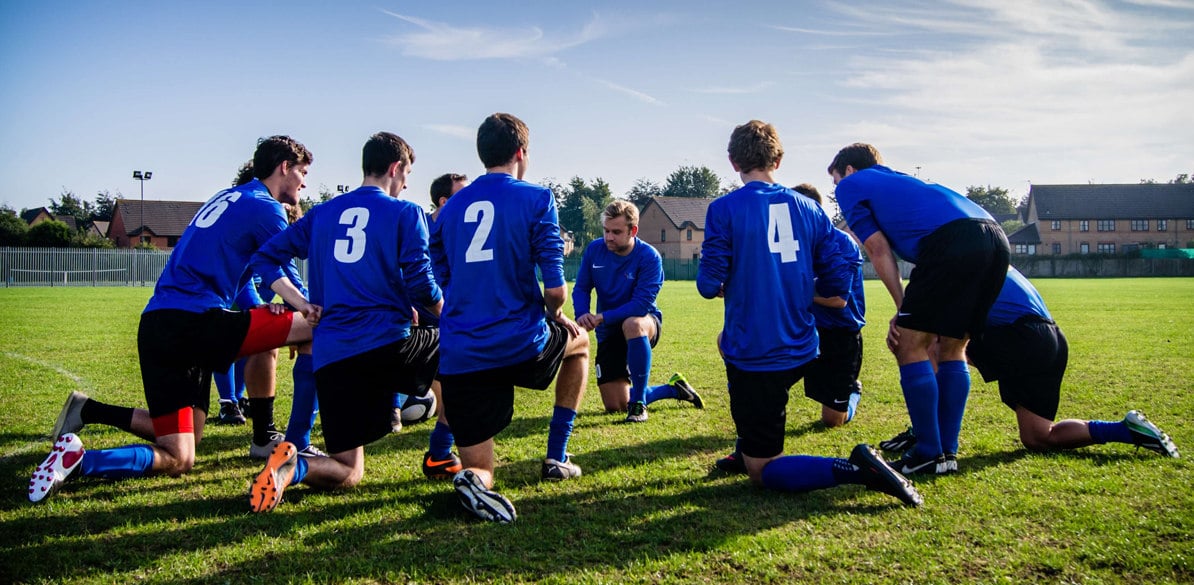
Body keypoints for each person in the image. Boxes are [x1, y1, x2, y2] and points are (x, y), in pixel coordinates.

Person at [30, 136, 316, 503]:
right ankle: (285, 442)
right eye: (303, 173)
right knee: (314, 326)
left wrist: (270, 313)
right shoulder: (266, 208)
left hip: (158, 326)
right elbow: (285, 269)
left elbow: (236, 279)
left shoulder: (227, 199)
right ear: (284, 168)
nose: (304, 183)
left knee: (180, 453)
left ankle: (79, 458)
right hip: (193, 323)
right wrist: (306, 309)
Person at [696, 120, 921, 507]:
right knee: (735, 359)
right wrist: (806, 287)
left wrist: (726, 281)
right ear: (778, 160)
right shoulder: (810, 209)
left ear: (733, 162)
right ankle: (748, 441)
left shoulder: (724, 209)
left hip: (757, 352)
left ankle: (855, 469)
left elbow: (707, 283)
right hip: (804, 344)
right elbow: (841, 266)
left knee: (762, 470)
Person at [244, 132, 443, 513]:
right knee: (460, 354)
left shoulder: (323, 213)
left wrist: (301, 303)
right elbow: (421, 282)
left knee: (348, 470)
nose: (407, 183)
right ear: (394, 167)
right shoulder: (406, 212)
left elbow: (264, 259)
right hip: (387, 346)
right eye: (407, 173)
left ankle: (292, 466)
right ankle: (444, 452)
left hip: (333, 356)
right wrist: (449, 315)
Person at [431, 113, 590, 523]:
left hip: (463, 353)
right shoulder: (537, 198)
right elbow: (556, 290)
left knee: (482, 467)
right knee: (581, 345)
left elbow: (439, 280)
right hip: (520, 343)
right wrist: (555, 315)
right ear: (521, 152)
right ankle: (557, 455)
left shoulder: (448, 210)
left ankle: (473, 481)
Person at [829, 143, 1010, 475]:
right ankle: (946, 453)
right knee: (952, 347)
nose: (837, 190)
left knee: (908, 344)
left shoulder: (853, 184)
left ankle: (928, 451)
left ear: (849, 171)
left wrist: (903, 306)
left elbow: (877, 248)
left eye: (836, 180)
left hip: (953, 240)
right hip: (995, 237)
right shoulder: (897, 181)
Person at [880, 267, 1180, 461]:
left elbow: (936, 328)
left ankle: (927, 436)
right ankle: (1124, 430)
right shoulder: (984, 252)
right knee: (1038, 437)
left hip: (1019, 336)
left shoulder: (954, 261)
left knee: (929, 347)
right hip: (1049, 338)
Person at [715, 183, 866, 473]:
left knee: (832, 420)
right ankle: (745, 445)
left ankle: (852, 393)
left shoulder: (840, 242)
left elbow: (837, 299)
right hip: (798, 328)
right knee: (739, 359)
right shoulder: (781, 242)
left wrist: (781, 287)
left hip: (838, 334)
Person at [573, 199, 703, 423]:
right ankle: (673, 389)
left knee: (632, 323)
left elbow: (640, 305)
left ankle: (639, 404)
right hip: (608, 331)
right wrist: (582, 313)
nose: (609, 237)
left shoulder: (649, 257)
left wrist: (602, 317)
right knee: (615, 405)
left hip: (645, 324)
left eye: (616, 232)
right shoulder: (595, 250)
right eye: (606, 230)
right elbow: (582, 287)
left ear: (633, 230)